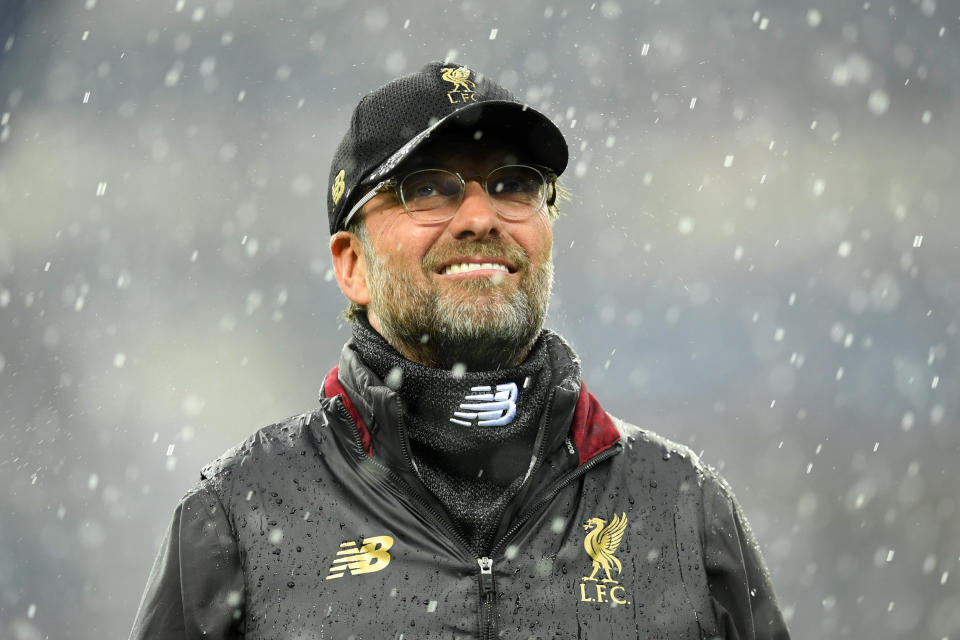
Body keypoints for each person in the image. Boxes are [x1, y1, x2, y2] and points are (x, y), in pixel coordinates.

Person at [129, 61, 791, 640]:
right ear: (352, 263)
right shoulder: (240, 518)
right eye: (428, 187)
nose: (481, 217)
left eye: (514, 184)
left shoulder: (682, 510)